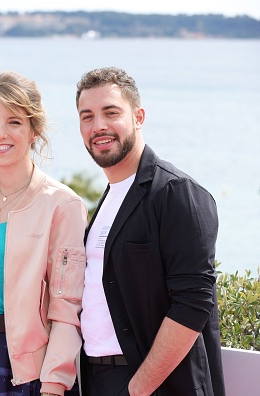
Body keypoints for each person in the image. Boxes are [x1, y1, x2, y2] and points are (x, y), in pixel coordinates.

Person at [76, 66, 225, 395]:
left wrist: (138, 388)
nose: (98, 126)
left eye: (110, 112)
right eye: (87, 116)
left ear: (139, 116)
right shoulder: (109, 198)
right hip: (98, 378)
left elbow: (194, 302)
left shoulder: (177, 192)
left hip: (155, 385)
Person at [0, 71, 88, 396]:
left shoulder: (62, 205)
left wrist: (53, 384)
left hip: (24, 367)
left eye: (14, 122)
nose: (0, 133)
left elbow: (68, 308)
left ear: (34, 130)